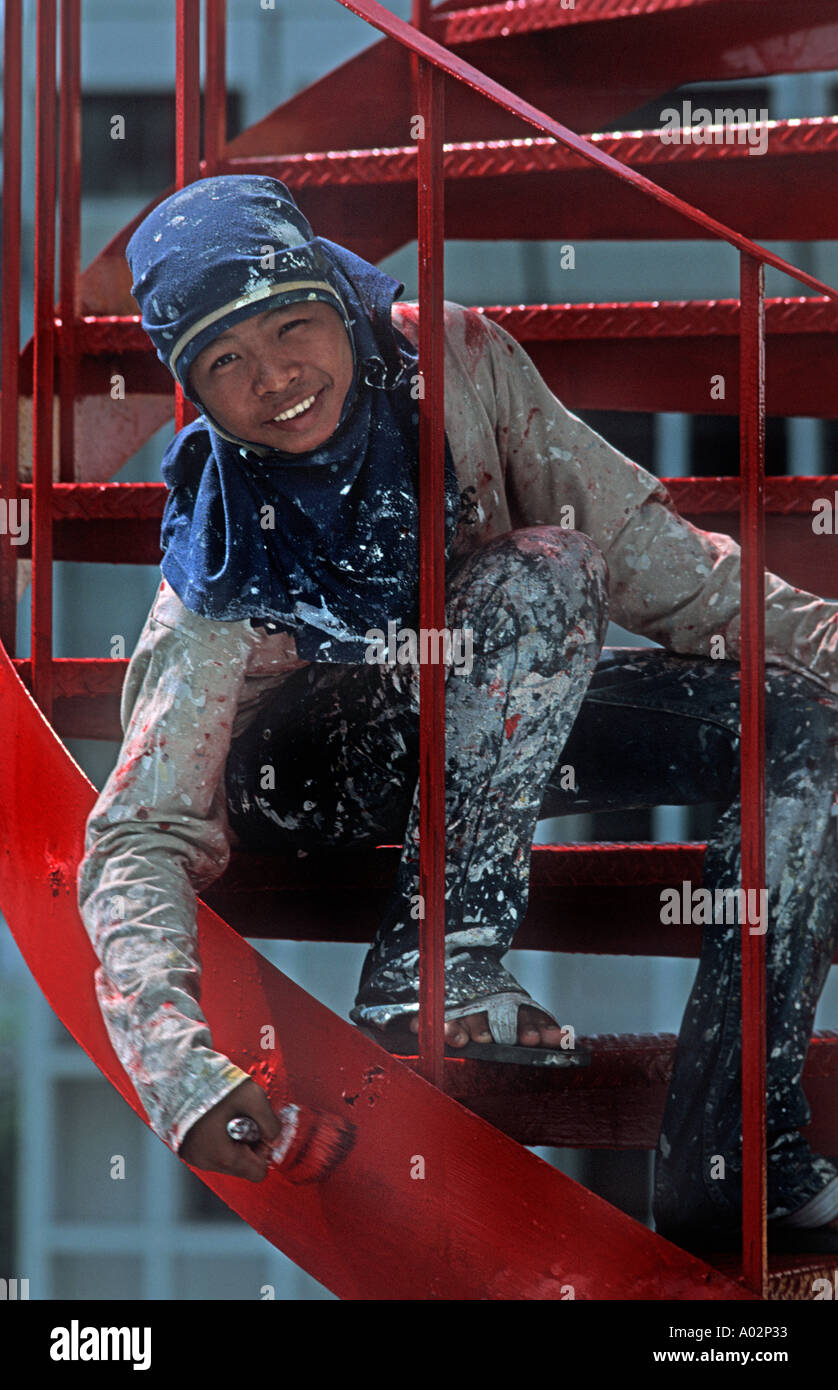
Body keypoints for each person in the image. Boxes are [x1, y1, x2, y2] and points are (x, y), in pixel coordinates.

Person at [77, 173, 838, 1252]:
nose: (277, 378)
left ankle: (733, 1154)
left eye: (293, 326)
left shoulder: (457, 361)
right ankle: (436, 965)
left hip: (489, 691)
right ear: (195, 390)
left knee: (797, 724)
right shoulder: (222, 548)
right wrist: (176, 1068)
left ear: (337, 305)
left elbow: (658, 567)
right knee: (535, 578)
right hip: (312, 760)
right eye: (226, 364)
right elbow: (137, 831)